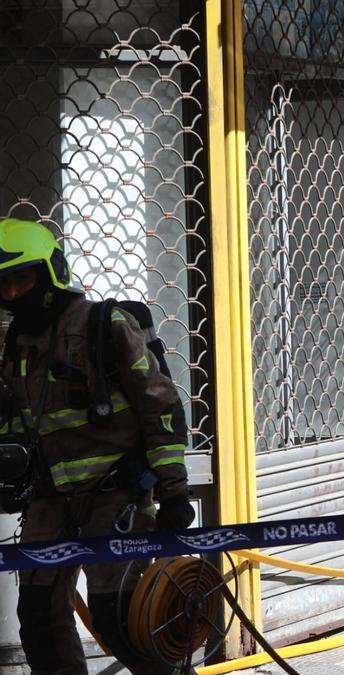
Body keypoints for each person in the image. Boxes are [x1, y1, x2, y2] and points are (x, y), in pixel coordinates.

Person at [0, 219, 193, 674]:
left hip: (117, 497)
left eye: (22, 279)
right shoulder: (16, 344)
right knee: (40, 620)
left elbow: (160, 408)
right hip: (50, 501)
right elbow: (15, 422)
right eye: (3, 284)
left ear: (50, 273)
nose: (12, 294)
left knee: (123, 620)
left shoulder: (104, 325)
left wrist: (174, 492)